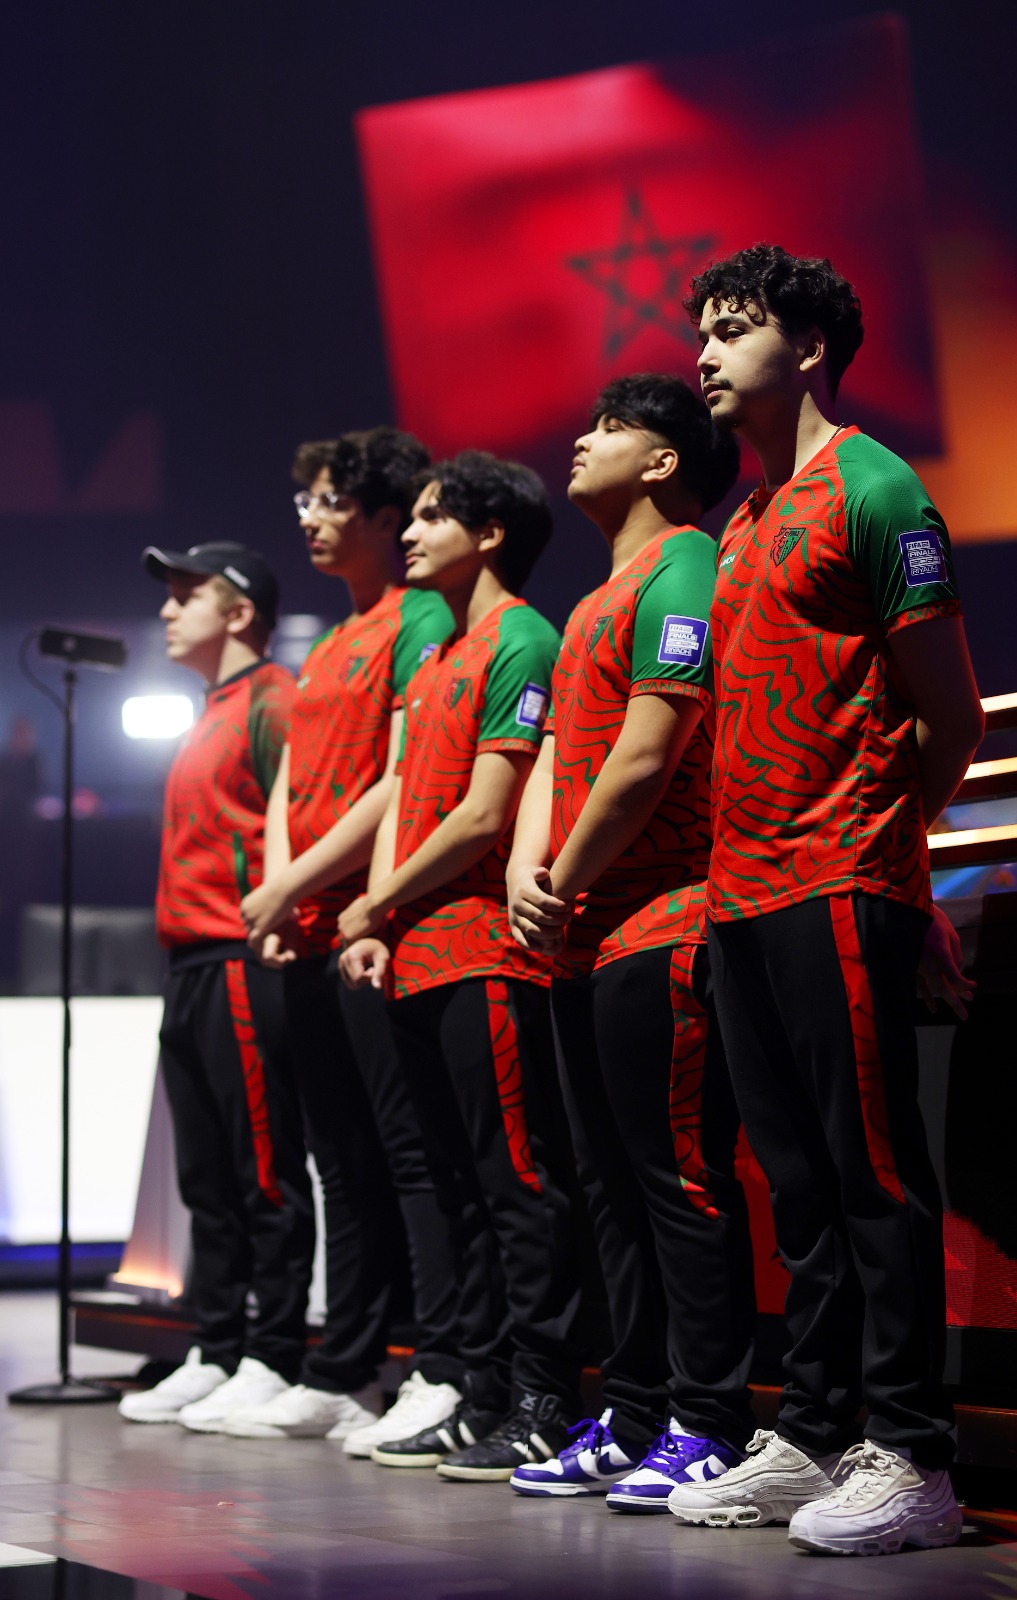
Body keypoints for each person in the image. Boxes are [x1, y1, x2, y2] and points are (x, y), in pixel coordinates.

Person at [666, 244, 984, 1556]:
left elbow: (950, 716)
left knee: (871, 1179)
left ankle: (913, 1455)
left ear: (806, 348)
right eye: (700, 330)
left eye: (731, 328)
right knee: (791, 1185)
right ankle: (810, 1432)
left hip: (840, 877)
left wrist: (887, 855)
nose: (703, 352)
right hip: (739, 895)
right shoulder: (741, 523)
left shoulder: (876, 486)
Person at [505, 374, 758, 1512]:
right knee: (609, 1186)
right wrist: (528, 872)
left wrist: (560, 876)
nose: (581, 438)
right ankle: (638, 1409)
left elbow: (651, 750)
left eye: (610, 428)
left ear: (663, 462)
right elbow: (560, 755)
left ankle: (710, 1418)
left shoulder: (685, 566)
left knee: (676, 1181)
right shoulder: (594, 600)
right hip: (580, 932)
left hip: (662, 919)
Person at [341, 451, 585, 1481]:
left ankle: (545, 1398)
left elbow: (488, 813)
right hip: (417, 955)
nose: (410, 530)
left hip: (485, 953)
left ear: (490, 535)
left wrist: (374, 900)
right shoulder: (436, 653)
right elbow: (407, 795)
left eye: (434, 516)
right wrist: (378, 919)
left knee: (516, 1181)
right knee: (457, 1188)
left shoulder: (524, 638)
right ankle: (477, 1390)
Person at [231, 428, 463, 1449]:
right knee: (336, 1157)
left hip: (376, 927)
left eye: (331, 502)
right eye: (307, 503)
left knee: (408, 1155)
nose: (313, 520)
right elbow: (291, 779)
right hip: (311, 929)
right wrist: (283, 893)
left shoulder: (420, 618)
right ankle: (346, 1365)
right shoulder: (327, 642)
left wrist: (295, 885)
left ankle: (434, 1361)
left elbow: (403, 779)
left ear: (382, 514)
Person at [119, 542, 315, 1430]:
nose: (167, 610)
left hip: (240, 955)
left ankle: (274, 1351)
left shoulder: (274, 700)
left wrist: (277, 924)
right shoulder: (209, 710)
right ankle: (218, 1344)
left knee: (261, 1164)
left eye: (185, 594)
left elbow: (298, 823)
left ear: (238, 611)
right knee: (204, 1172)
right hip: (189, 963)